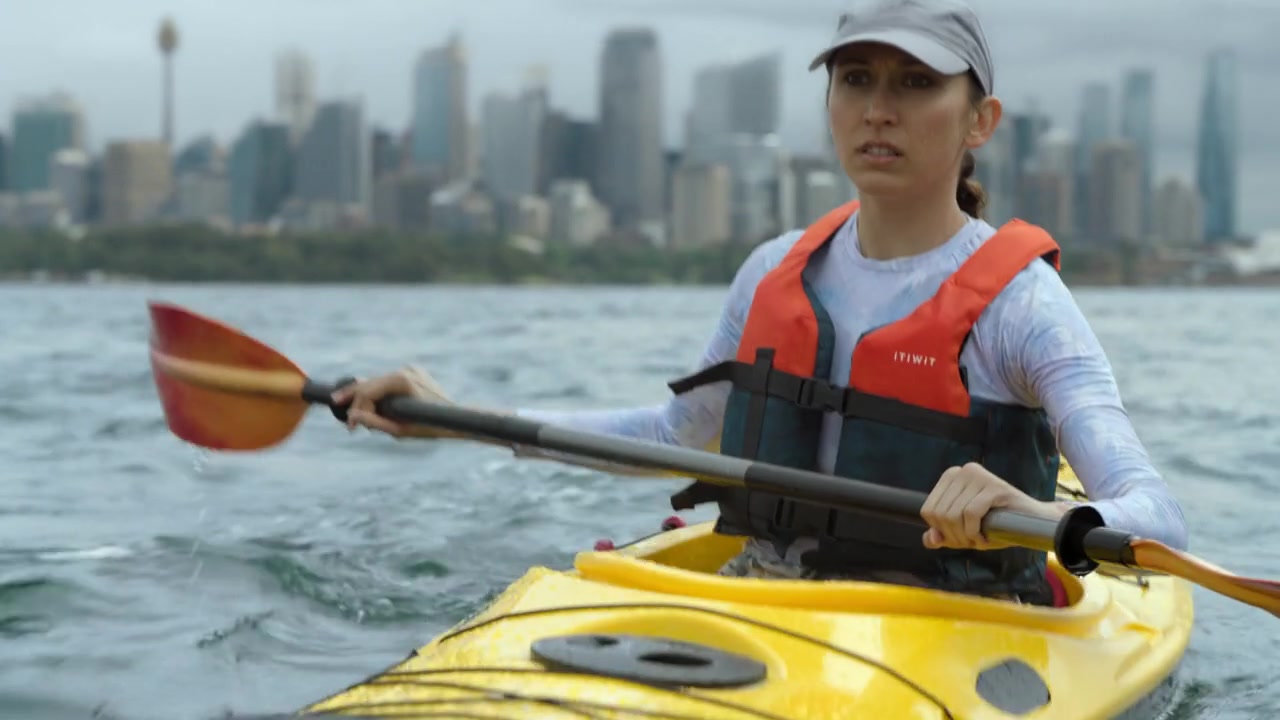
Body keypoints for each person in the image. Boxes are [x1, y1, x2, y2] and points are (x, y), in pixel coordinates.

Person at [332, 0, 1188, 606]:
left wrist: (1042, 514)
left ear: (980, 121)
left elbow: (1158, 517)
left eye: (916, 83)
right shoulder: (775, 268)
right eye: (856, 79)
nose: (878, 109)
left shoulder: (1023, 305)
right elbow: (676, 436)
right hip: (768, 601)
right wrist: (455, 418)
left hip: (953, 624)